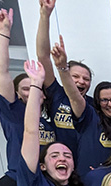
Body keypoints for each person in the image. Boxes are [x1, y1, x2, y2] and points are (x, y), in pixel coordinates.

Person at [0, 7, 56, 186]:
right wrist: (4, 32)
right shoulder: (14, 113)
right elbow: (1, 72)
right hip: (18, 183)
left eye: (36, 86)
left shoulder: (50, 123)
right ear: (17, 94)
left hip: (46, 185)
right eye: (26, 88)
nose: (32, 91)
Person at [50, 37, 111, 177]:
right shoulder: (89, 118)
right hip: (81, 180)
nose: (110, 104)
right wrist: (62, 69)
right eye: (104, 100)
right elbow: (75, 97)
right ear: (97, 103)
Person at [36, 0, 94, 156]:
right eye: (75, 76)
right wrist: (45, 16)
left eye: (86, 79)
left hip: (85, 166)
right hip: (59, 163)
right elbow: (43, 56)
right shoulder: (56, 93)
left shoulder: (93, 104)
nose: (81, 81)